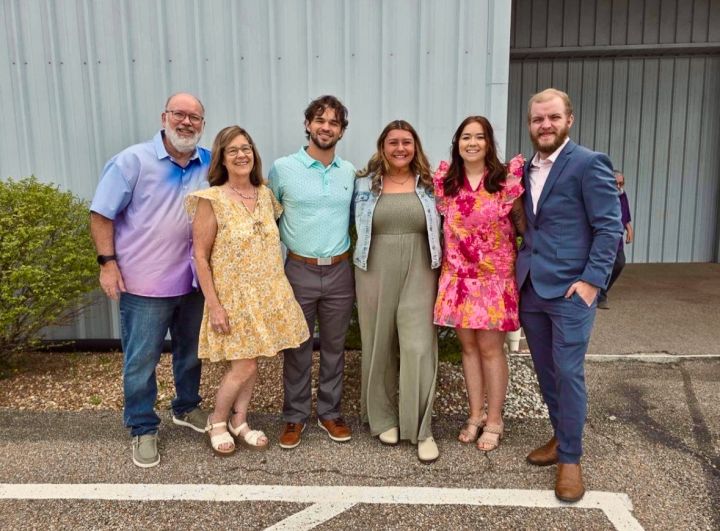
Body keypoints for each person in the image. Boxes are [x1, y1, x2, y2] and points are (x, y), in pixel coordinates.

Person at [90, 92, 210, 468]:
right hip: (145, 285)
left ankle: (186, 407)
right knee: (141, 360)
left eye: (194, 117)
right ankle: (142, 426)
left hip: (194, 282)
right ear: (164, 117)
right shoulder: (132, 161)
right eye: (179, 114)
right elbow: (101, 214)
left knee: (191, 353)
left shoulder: (210, 162)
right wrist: (107, 264)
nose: (186, 122)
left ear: (202, 125)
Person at [517, 88, 622, 502]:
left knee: (568, 372)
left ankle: (571, 460)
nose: (545, 125)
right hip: (531, 288)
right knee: (546, 372)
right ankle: (561, 436)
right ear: (530, 124)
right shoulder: (523, 169)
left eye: (553, 117)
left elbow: (609, 227)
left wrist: (592, 283)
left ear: (569, 120)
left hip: (571, 292)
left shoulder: (589, 163)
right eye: (537, 119)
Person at [186, 126, 309, 456]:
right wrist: (214, 305)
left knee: (252, 362)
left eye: (246, 148)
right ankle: (216, 421)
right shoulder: (211, 199)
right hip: (232, 299)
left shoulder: (266, 195)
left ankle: (240, 421)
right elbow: (200, 256)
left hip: (267, 294)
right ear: (222, 159)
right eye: (233, 150)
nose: (241, 155)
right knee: (244, 367)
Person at [433, 116, 526, 454]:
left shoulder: (504, 182)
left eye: (479, 137)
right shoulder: (446, 183)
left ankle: (495, 420)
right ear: (457, 143)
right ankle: (475, 415)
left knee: (490, 349)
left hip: (493, 281)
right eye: (465, 137)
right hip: (458, 280)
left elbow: (523, 227)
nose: (472, 143)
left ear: (489, 143)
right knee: (469, 349)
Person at [268, 95, 356, 449]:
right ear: (308, 124)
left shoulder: (348, 172)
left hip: (339, 270)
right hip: (299, 269)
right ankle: (295, 415)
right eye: (320, 120)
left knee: (335, 347)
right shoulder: (283, 168)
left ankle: (329, 412)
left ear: (341, 130)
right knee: (298, 347)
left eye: (334, 122)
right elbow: (269, 218)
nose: (326, 127)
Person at [354, 120, 442, 463]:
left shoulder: (431, 184)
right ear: (382, 146)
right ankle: (383, 418)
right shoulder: (364, 183)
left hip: (421, 267)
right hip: (373, 266)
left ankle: (421, 428)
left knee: (418, 345)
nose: (400, 148)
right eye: (393, 142)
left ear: (415, 146)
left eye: (407, 142)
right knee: (378, 342)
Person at [598, 170, 634, 309]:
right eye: (616, 183)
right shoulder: (602, 196)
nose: (619, 186)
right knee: (604, 265)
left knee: (619, 263)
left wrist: (629, 229)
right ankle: (600, 296)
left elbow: (625, 214)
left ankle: (601, 291)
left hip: (617, 238)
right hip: (604, 237)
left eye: (621, 183)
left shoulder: (622, 195)